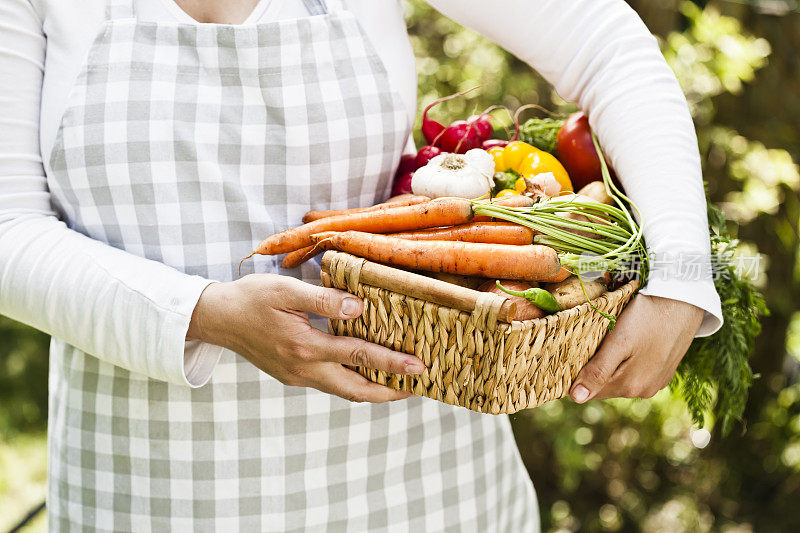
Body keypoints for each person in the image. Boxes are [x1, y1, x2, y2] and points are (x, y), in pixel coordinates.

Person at [0, 0, 722, 530]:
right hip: (151, 494)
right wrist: (204, 314)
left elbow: (605, 41)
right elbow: (8, 230)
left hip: (425, 487)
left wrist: (683, 275)